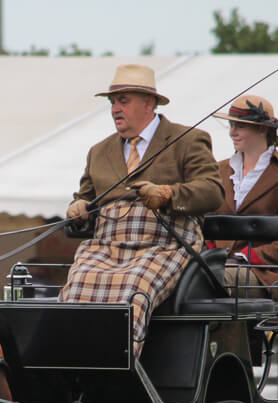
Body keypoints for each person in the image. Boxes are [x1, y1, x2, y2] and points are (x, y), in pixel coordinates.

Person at [59, 64, 223, 355]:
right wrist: (78, 208)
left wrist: (167, 194)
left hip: (165, 244)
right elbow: (84, 199)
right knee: (75, 291)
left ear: (149, 103)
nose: (115, 109)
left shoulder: (187, 140)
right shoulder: (99, 151)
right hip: (105, 246)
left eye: (123, 101)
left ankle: (117, 369)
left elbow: (213, 192)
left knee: (133, 288)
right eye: (112, 103)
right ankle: (73, 365)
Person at [210, 95, 278, 300]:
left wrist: (243, 257)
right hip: (214, 265)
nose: (232, 132)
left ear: (263, 129)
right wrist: (211, 256)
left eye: (240, 126)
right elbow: (203, 225)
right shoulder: (217, 171)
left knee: (217, 279)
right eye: (231, 125)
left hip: (263, 274)